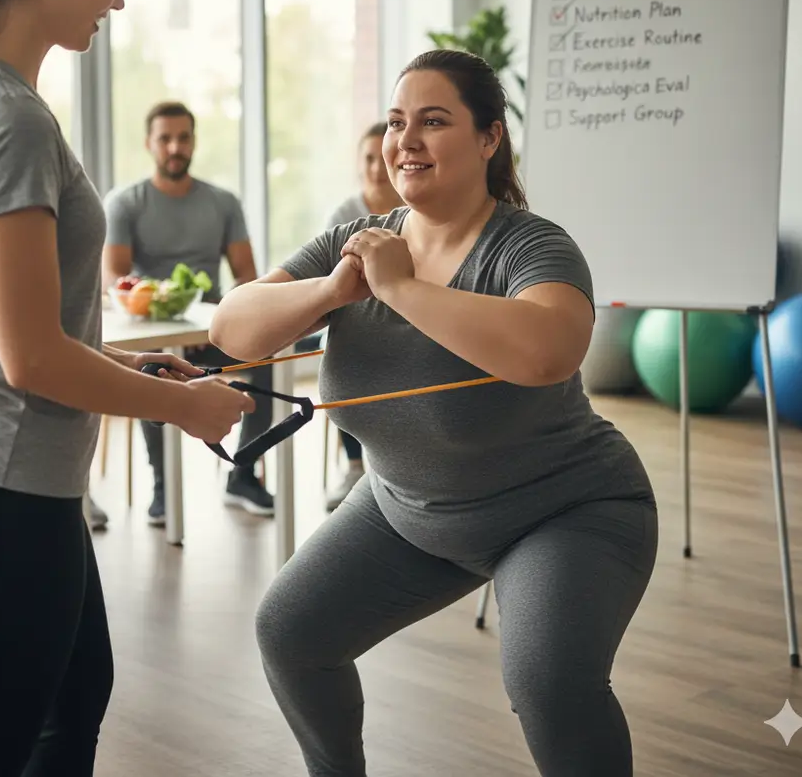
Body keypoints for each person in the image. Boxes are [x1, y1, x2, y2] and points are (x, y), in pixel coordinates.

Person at [0, 0, 253, 777]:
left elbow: (12, 337)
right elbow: (27, 359)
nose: (119, 0)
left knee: (74, 699)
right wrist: (182, 407)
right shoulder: (6, 116)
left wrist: (138, 372)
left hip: (8, 478)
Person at [210, 49, 658, 777]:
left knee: (547, 681)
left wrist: (401, 291)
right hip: (407, 509)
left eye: (434, 121)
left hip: (566, 509)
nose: (404, 141)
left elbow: (549, 353)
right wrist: (329, 292)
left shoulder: (529, 244)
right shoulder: (356, 243)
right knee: (293, 633)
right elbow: (233, 327)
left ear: (489, 138)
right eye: (395, 122)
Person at [102, 100, 275, 520]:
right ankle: (162, 487)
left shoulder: (223, 203)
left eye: (183, 138)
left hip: (214, 329)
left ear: (194, 142)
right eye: (165, 139)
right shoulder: (125, 203)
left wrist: (218, 328)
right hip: (152, 332)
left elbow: (248, 279)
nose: (175, 147)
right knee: (150, 369)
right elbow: (115, 281)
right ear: (149, 144)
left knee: (268, 357)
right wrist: (172, 333)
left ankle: (244, 474)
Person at [322, 121, 403, 511]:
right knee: (348, 354)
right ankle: (355, 466)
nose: (374, 168)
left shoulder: (414, 209)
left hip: (408, 313)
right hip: (358, 313)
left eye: (379, 158)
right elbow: (331, 279)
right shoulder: (344, 214)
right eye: (367, 159)